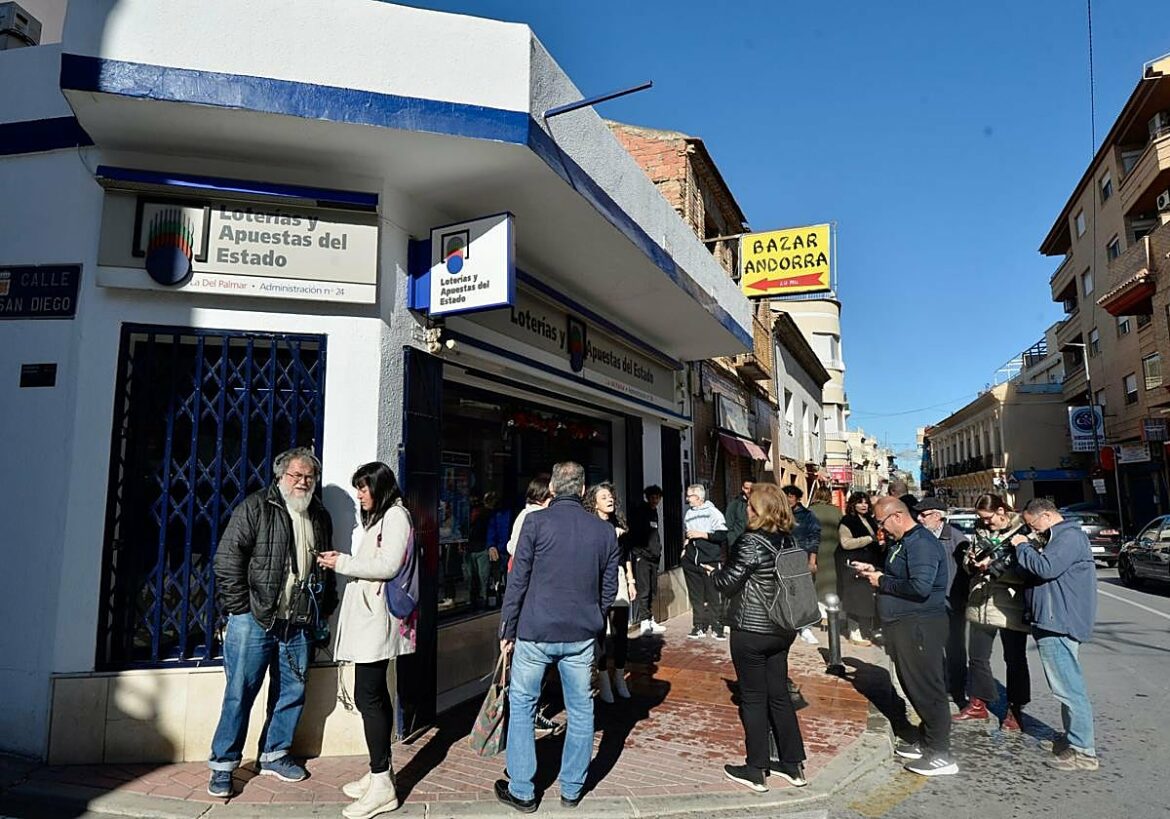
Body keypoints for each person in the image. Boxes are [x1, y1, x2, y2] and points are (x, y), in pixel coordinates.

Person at [207, 446, 334, 798]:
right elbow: (227, 559)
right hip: (254, 620)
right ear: (281, 476)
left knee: (292, 691)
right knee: (239, 693)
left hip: (298, 622)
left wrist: (325, 605)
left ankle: (275, 753)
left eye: (309, 476)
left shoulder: (319, 514)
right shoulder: (256, 506)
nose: (303, 482)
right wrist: (241, 608)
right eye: (296, 475)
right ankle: (223, 764)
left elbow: (324, 563)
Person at [496, 462, 620, 812]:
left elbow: (517, 581)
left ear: (552, 488)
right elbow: (608, 587)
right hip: (581, 633)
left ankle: (522, 789)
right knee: (581, 711)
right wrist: (596, 618)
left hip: (535, 630)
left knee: (522, 707)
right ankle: (572, 787)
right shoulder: (604, 532)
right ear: (582, 491)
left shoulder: (535, 523)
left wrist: (507, 628)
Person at [316, 462, 413, 819]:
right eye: (357, 488)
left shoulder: (396, 517)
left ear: (381, 487)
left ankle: (382, 783)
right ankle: (379, 773)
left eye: (364, 487)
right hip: (369, 621)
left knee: (369, 696)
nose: (360, 494)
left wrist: (343, 562)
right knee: (370, 695)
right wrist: (344, 561)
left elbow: (388, 566)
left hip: (378, 623)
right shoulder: (381, 519)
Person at [714, 484, 809, 793]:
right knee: (779, 694)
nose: (747, 511)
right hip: (783, 628)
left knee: (753, 698)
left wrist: (711, 573)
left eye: (751, 506)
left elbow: (727, 583)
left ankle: (756, 769)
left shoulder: (751, 541)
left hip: (752, 629)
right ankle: (793, 764)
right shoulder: (789, 539)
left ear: (760, 510)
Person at [855, 497, 957, 777]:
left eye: (881, 522)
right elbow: (902, 576)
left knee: (927, 688)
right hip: (904, 625)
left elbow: (920, 587)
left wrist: (882, 581)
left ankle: (940, 753)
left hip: (920, 626)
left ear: (897, 516)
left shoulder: (921, 544)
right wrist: (876, 573)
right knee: (914, 685)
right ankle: (927, 740)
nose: (881, 528)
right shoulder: (903, 542)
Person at [1011, 498, 1099, 771]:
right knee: (1064, 687)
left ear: (1047, 516)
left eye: (1033, 524)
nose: (1032, 530)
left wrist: (1023, 546)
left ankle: (1083, 751)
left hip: (1059, 622)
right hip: (1051, 620)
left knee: (1069, 688)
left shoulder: (1068, 537)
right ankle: (1073, 739)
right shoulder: (1057, 537)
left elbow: (1046, 568)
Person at [956, 494, 1031, 730]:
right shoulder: (980, 532)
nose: (986, 523)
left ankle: (1015, 709)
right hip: (981, 600)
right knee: (977, 656)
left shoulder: (1024, 531)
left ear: (1001, 511)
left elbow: (1028, 569)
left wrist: (995, 569)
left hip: (1011, 604)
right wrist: (970, 563)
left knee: (1015, 659)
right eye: (982, 519)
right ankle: (978, 704)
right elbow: (969, 560)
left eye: (988, 519)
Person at [504, 475, 562, 738]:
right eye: (552, 493)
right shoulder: (532, 517)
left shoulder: (528, 516)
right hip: (531, 593)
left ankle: (530, 711)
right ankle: (530, 714)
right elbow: (515, 548)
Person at [914, 497, 971, 710]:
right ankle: (936, 687)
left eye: (924, 514)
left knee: (954, 647)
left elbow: (965, 575)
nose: (919, 518)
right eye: (918, 514)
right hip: (927, 601)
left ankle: (957, 690)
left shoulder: (956, 538)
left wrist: (958, 600)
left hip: (951, 602)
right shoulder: (921, 536)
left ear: (938, 516)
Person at [584, 482, 638, 703]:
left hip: (618, 578)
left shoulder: (619, 525)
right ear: (593, 502)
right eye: (604, 496)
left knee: (620, 632)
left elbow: (626, 555)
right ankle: (603, 677)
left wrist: (631, 580)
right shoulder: (590, 525)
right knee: (600, 632)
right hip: (596, 578)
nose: (609, 499)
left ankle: (619, 675)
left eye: (611, 496)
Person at [683, 484, 728, 639]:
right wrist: (684, 550)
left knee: (713, 595)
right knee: (696, 596)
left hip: (709, 559)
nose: (687, 498)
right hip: (691, 560)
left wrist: (702, 534)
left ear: (699, 497)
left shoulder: (713, 513)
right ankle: (698, 626)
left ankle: (718, 627)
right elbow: (688, 534)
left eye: (690, 496)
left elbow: (722, 535)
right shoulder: (688, 513)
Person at [836, 492, 882, 645]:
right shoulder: (848, 521)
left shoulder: (870, 520)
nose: (864, 505)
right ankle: (854, 631)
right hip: (853, 564)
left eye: (866, 502)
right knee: (855, 598)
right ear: (853, 504)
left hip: (869, 563)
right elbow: (846, 543)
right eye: (860, 502)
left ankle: (867, 629)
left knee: (868, 599)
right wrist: (869, 539)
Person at [781, 485, 821, 644]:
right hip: (782, 558)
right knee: (785, 592)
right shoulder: (779, 514)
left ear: (797, 498)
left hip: (802, 557)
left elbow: (814, 538)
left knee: (804, 593)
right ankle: (786, 623)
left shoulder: (808, 516)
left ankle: (805, 627)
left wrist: (812, 561)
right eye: (786, 496)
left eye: (792, 496)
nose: (789, 499)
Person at [628, 485, 667, 636]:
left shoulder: (654, 512)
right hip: (643, 556)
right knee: (644, 589)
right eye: (652, 497)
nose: (655, 500)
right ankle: (644, 621)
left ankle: (650, 619)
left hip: (653, 557)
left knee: (652, 588)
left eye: (657, 497)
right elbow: (636, 535)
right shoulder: (641, 512)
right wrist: (639, 553)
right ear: (647, 497)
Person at [808, 485, 843, 620]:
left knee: (817, 582)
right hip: (834, 549)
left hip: (815, 551)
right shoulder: (836, 511)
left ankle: (821, 614)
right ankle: (832, 612)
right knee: (832, 581)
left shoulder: (810, 511)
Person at [725, 478, 754, 547]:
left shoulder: (761, 504)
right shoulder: (734, 505)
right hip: (739, 545)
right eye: (747, 488)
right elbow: (728, 526)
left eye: (752, 489)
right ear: (743, 488)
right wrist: (734, 542)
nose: (749, 491)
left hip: (758, 545)